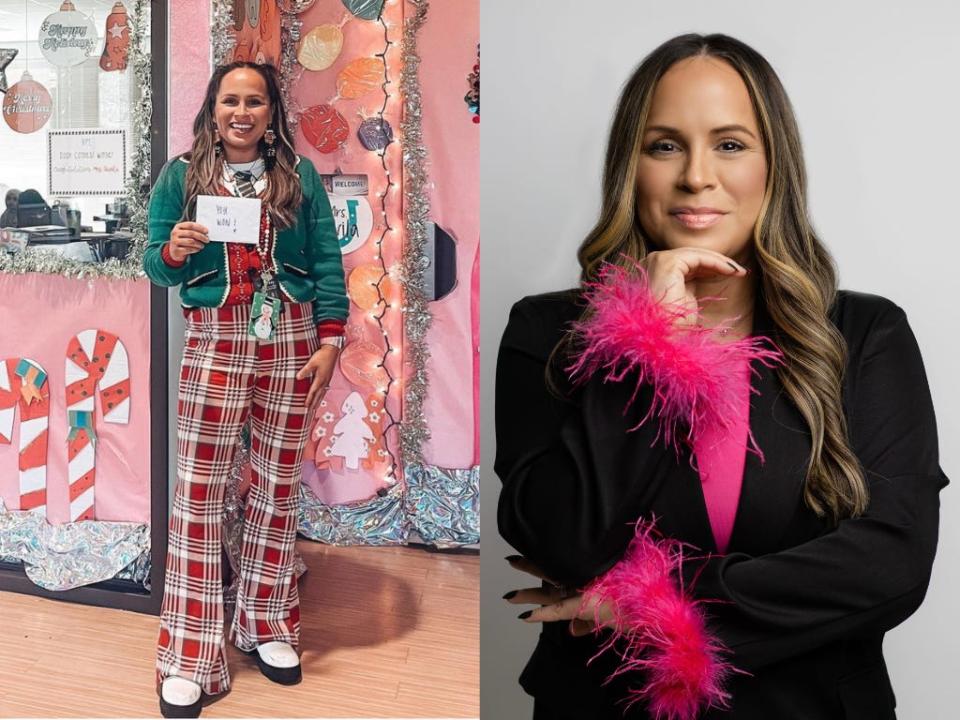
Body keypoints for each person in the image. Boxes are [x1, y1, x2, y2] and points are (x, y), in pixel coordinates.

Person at [495, 34, 947, 720]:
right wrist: (647, 338)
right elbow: (571, 539)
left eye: (730, 144)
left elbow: (891, 564)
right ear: (630, 166)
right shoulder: (547, 334)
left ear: (775, 167)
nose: (696, 177)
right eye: (664, 145)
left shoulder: (864, 336)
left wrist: (648, 601)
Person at [143, 60, 347, 718]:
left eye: (254, 101)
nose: (242, 111)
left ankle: (265, 624)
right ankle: (189, 654)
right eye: (230, 99)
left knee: (276, 486)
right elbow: (154, 263)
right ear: (213, 107)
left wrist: (331, 342)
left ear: (270, 112)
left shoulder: (298, 175)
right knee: (198, 496)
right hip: (215, 338)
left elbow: (324, 261)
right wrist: (172, 249)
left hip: (289, 339)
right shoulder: (182, 175)